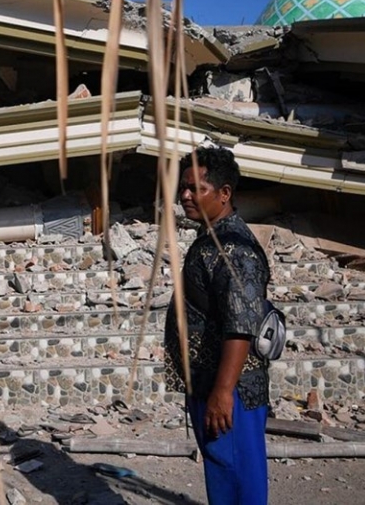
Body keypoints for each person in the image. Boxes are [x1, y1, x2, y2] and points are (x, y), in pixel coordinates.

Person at [163, 146, 271, 505]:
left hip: (231, 390)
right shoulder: (211, 240)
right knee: (223, 474)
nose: (186, 196)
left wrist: (223, 393)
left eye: (197, 189)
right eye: (184, 188)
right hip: (211, 383)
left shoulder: (235, 250)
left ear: (225, 194)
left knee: (238, 478)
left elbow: (240, 326)